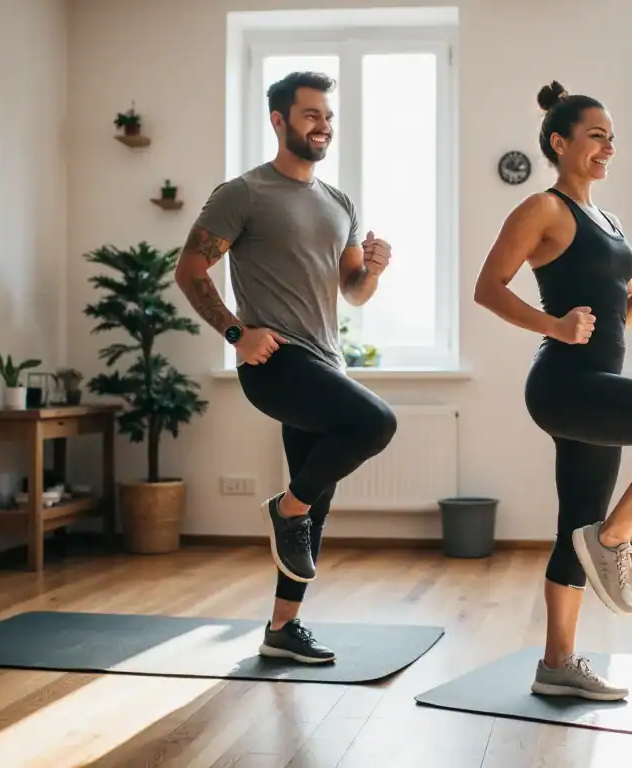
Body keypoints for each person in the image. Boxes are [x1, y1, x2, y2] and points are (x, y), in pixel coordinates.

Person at [473, 81, 632, 700]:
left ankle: (558, 664)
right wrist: (553, 325)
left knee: (574, 525)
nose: (608, 147)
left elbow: (617, 320)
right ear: (560, 142)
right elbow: (489, 288)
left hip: (595, 381)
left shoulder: (604, 219)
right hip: (565, 382)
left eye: (612, 137)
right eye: (595, 136)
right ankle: (614, 539)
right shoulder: (543, 209)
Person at [174, 71, 398, 665]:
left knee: (315, 498)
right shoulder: (243, 193)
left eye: (328, 116)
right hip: (273, 359)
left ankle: (281, 628)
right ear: (279, 121)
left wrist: (372, 269)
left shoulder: (340, 202)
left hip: (325, 360)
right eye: (310, 115)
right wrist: (234, 333)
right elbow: (190, 270)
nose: (322, 125)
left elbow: (353, 291)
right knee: (376, 424)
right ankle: (286, 507)